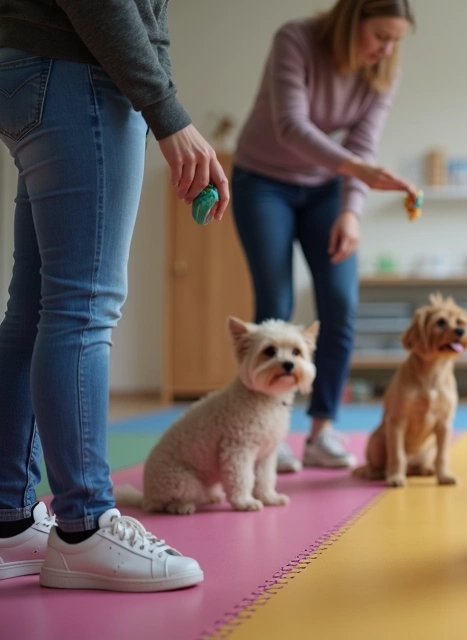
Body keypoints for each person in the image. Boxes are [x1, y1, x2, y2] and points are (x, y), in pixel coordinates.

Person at [0, 0, 227, 590]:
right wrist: (167, 111)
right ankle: (84, 526)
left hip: (35, 64)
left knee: (33, 312)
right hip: (78, 70)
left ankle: (9, 521)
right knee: (82, 307)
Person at [230, 0, 417, 473]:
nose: (387, 48)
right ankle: (269, 430)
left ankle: (320, 431)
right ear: (354, 20)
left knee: (341, 302)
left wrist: (352, 211)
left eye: (396, 39)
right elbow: (291, 127)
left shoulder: (383, 69)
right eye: (380, 36)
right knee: (276, 302)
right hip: (263, 180)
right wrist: (359, 171)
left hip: (327, 188)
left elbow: (362, 145)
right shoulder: (296, 39)